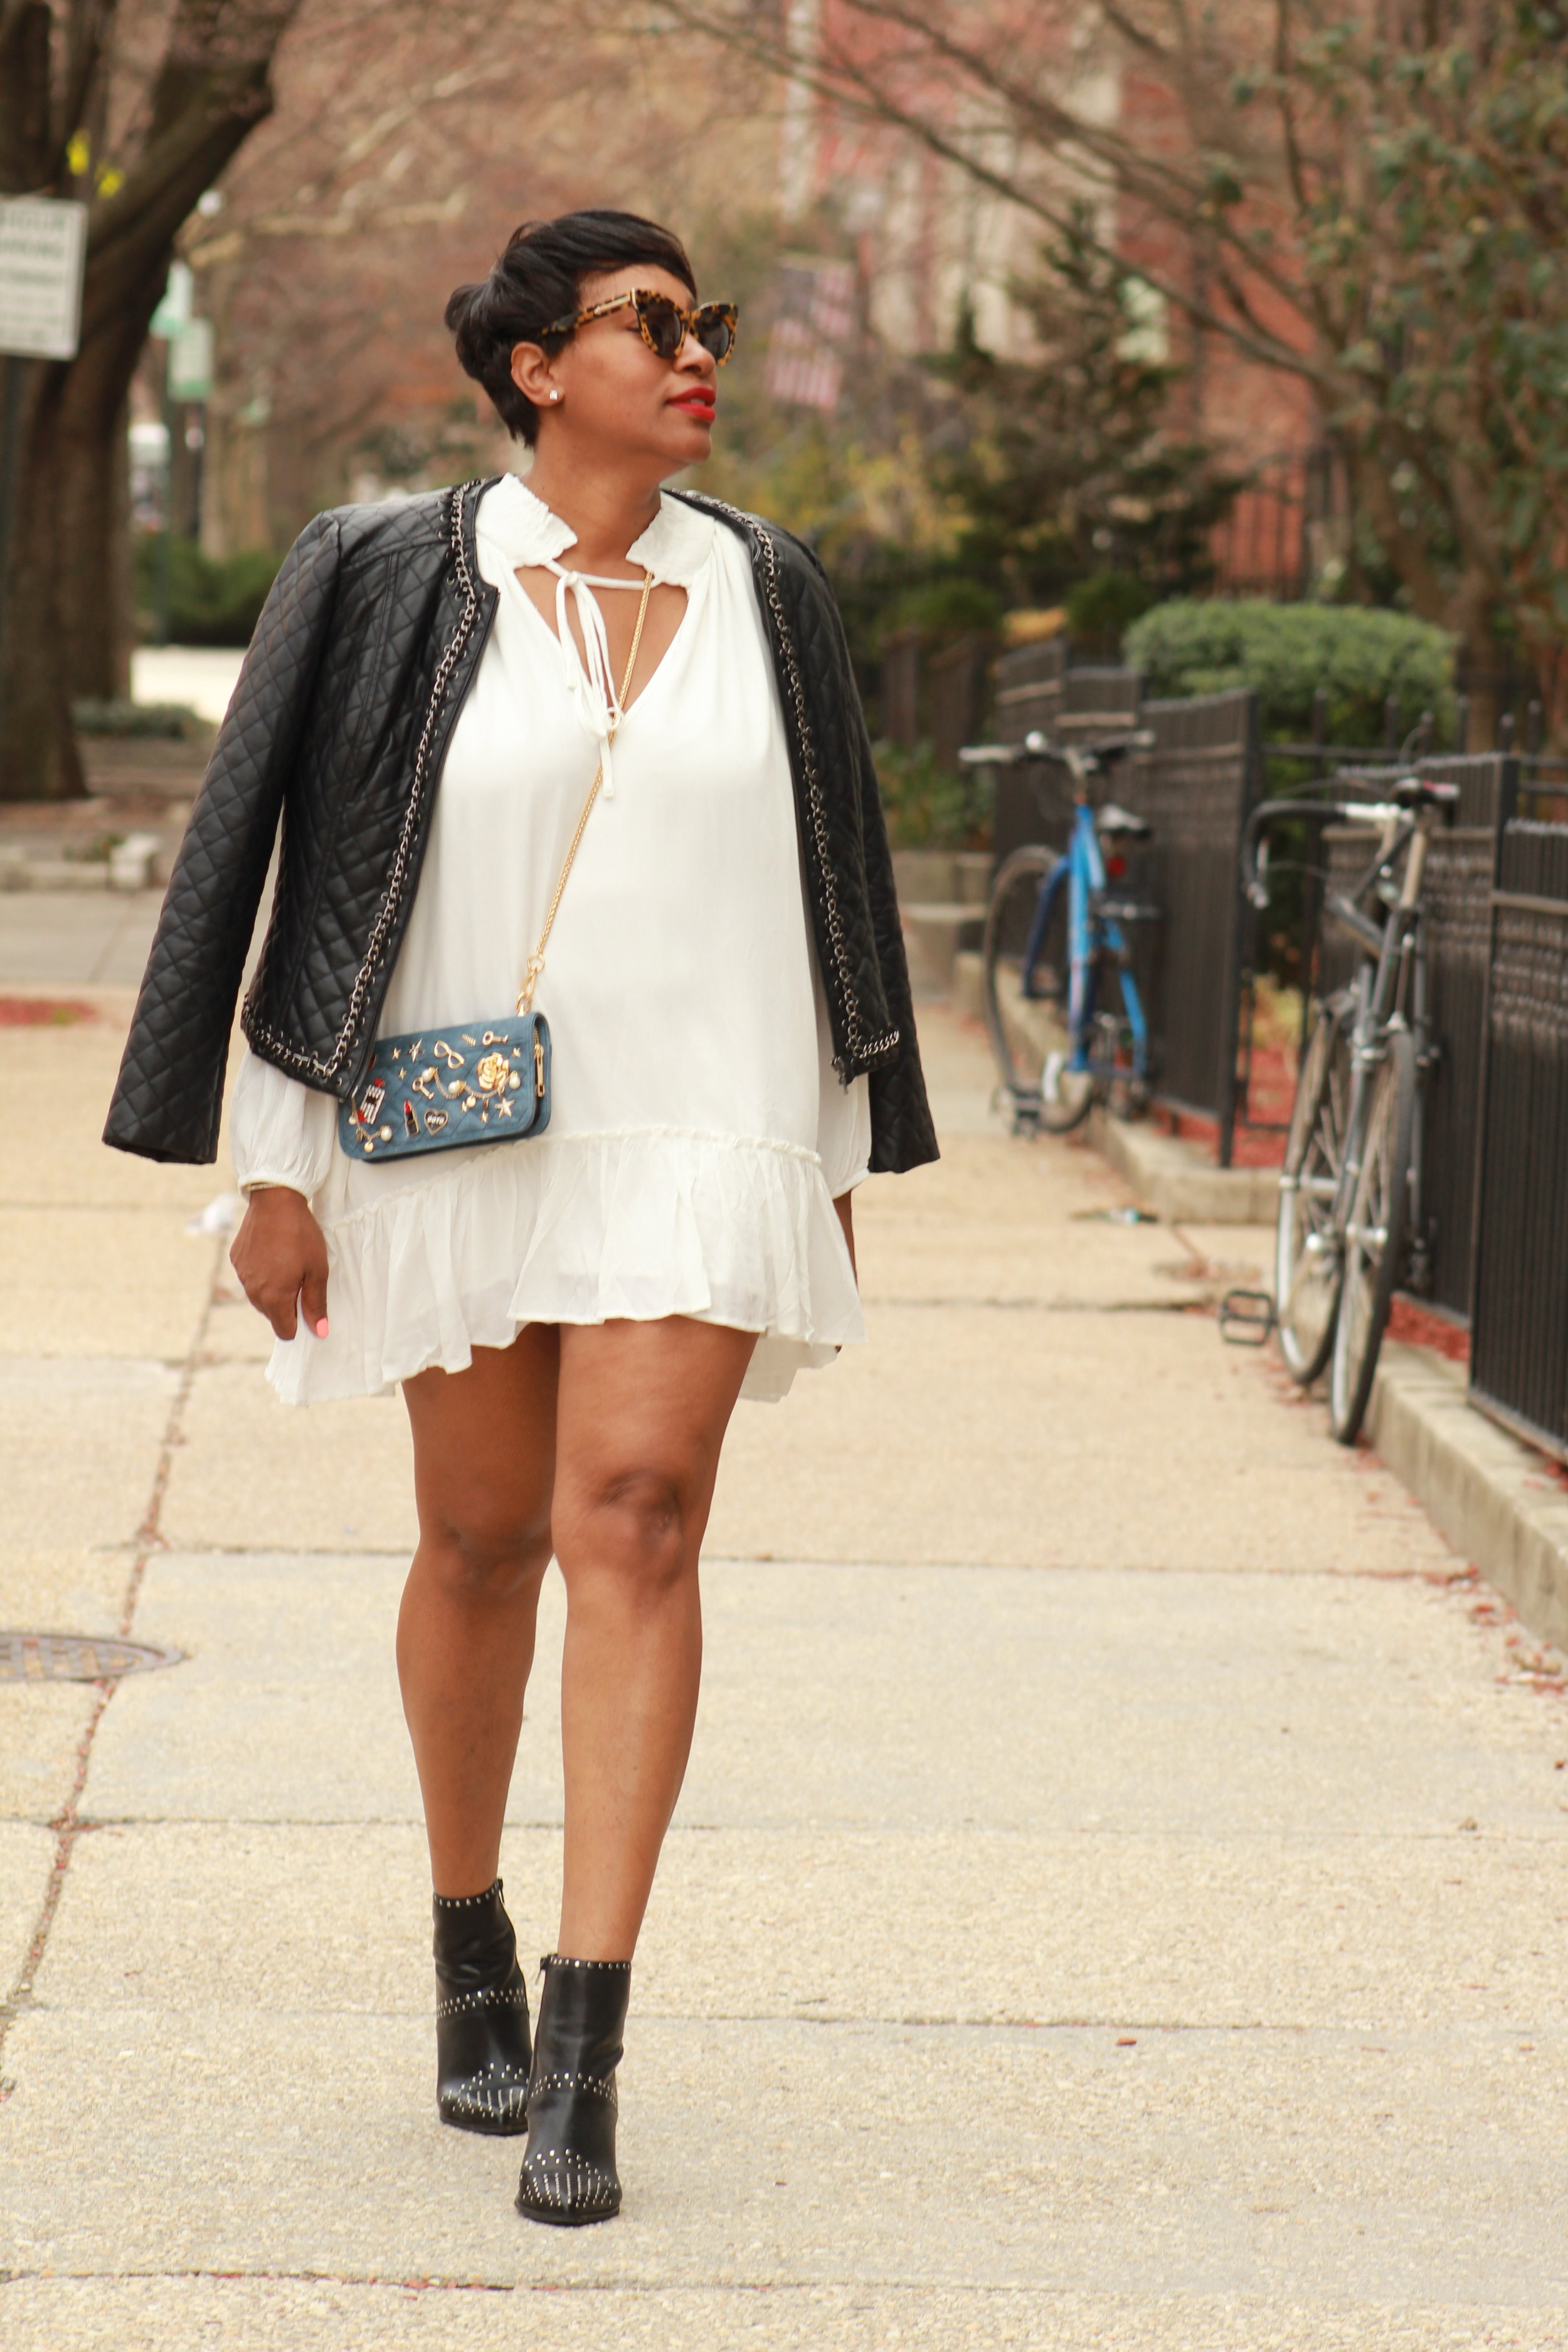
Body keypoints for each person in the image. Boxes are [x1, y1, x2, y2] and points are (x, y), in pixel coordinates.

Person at [104, 208, 936, 2225]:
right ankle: (466, 1932)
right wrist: (273, 1160)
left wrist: (836, 1155)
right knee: (482, 1538)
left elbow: (831, 880)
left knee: (632, 1514)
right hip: (451, 1123)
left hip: (706, 1120)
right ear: (537, 369)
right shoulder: (388, 567)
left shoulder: (768, 589)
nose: (693, 351)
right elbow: (289, 860)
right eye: (648, 324)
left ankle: (586, 2047)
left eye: (702, 320)